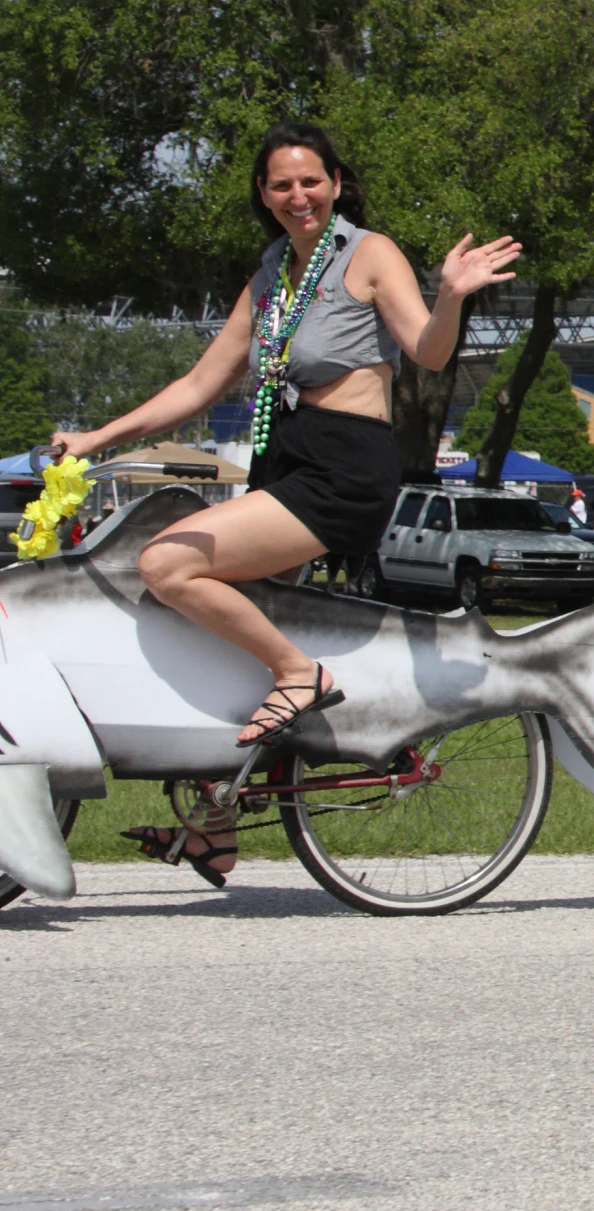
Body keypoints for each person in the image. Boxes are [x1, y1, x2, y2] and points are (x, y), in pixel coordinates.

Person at [52, 120, 520, 886]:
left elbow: (428, 352)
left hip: (344, 467)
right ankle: (216, 828)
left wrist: (450, 296)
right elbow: (199, 386)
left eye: (311, 180)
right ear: (264, 196)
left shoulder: (368, 254)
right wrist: (98, 435)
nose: (297, 195)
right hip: (286, 458)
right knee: (209, 635)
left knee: (167, 564)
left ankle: (299, 672)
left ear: (336, 183)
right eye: (280, 184)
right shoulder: (272, 272)